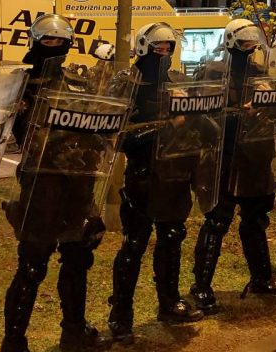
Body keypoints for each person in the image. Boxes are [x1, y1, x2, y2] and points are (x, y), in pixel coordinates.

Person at [1, 14, 112, 352]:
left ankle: (74, 331)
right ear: (34, 42)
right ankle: (14, 342)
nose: (54, 47)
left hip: (79, 185)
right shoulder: (19, 84)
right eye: (47, 41)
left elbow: (96, 123)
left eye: (60, 41)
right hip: (42, 187)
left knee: (78, 261)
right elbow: (16, 131)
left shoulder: (75, 82)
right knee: (32, 266)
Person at [106, 23, 206, 344]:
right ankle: (120, 315)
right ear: (144, 45)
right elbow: (116, 135)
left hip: (174, 174)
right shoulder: (126, 82)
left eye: (168, 48)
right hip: (141, 175)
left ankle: (169, 302)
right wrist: (162, 128)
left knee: (173, 237)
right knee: (134, 243)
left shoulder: (177, 82)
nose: (163, 53)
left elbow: (197, 122)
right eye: (158, 47)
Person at [189, 19, 276, 315]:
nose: (249, 48)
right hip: (224, 158)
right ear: (231, 42)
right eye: (244, 43)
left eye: (252, 43)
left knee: (256, 219)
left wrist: (271, 104)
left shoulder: (261, 75)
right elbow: (198, 116)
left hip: (256, 157)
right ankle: (201, 286)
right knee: (217, 222)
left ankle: (261, 278)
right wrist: (235, 116)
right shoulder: (212, 73)